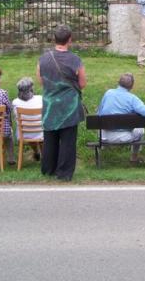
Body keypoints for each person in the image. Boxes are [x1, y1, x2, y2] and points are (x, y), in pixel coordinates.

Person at [37, 25, 87, 181]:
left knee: (50, 137)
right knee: (67, 140)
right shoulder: (75, 60)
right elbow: (82, 83)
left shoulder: (43, 58)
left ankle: (48, 169)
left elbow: (40, 80)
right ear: (69, 40)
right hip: (69, 106)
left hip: (50, 103)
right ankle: (64, 172)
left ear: (54, 39)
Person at [98, 73, 145, 164]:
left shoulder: (108, 93)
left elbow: (99, 112)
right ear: (132, 86)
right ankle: (134, 157)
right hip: (123, 137)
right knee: (140, 129)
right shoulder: (132, 99)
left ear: (118, 83)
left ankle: (103, 156)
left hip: (103, 136)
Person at [11, 77, 43, 161]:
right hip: (40, 132)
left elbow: (15, 117)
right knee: (40, 133)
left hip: (24, 133)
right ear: (31, 88)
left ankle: (36, 152)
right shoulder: (40, 99)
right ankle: (44, 155)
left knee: (30, 130)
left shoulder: (15, 102)